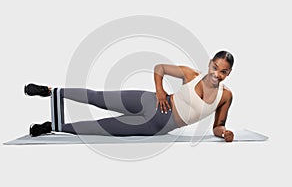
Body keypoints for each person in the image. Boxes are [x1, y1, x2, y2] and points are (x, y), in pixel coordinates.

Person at [24, 51, 235, 142]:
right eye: (215, 67)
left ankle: (51, 127)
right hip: (149, 100)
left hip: (157, 125)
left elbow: (217, 126)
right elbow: (159, 67)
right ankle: (50, 91)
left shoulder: (225, 97)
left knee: (100, 127)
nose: (217, 74)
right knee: (99, 97)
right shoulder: (191, 75)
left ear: (228, 74)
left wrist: (224, 133)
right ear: (210, 63)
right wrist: (160, 92)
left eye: (223, 72)